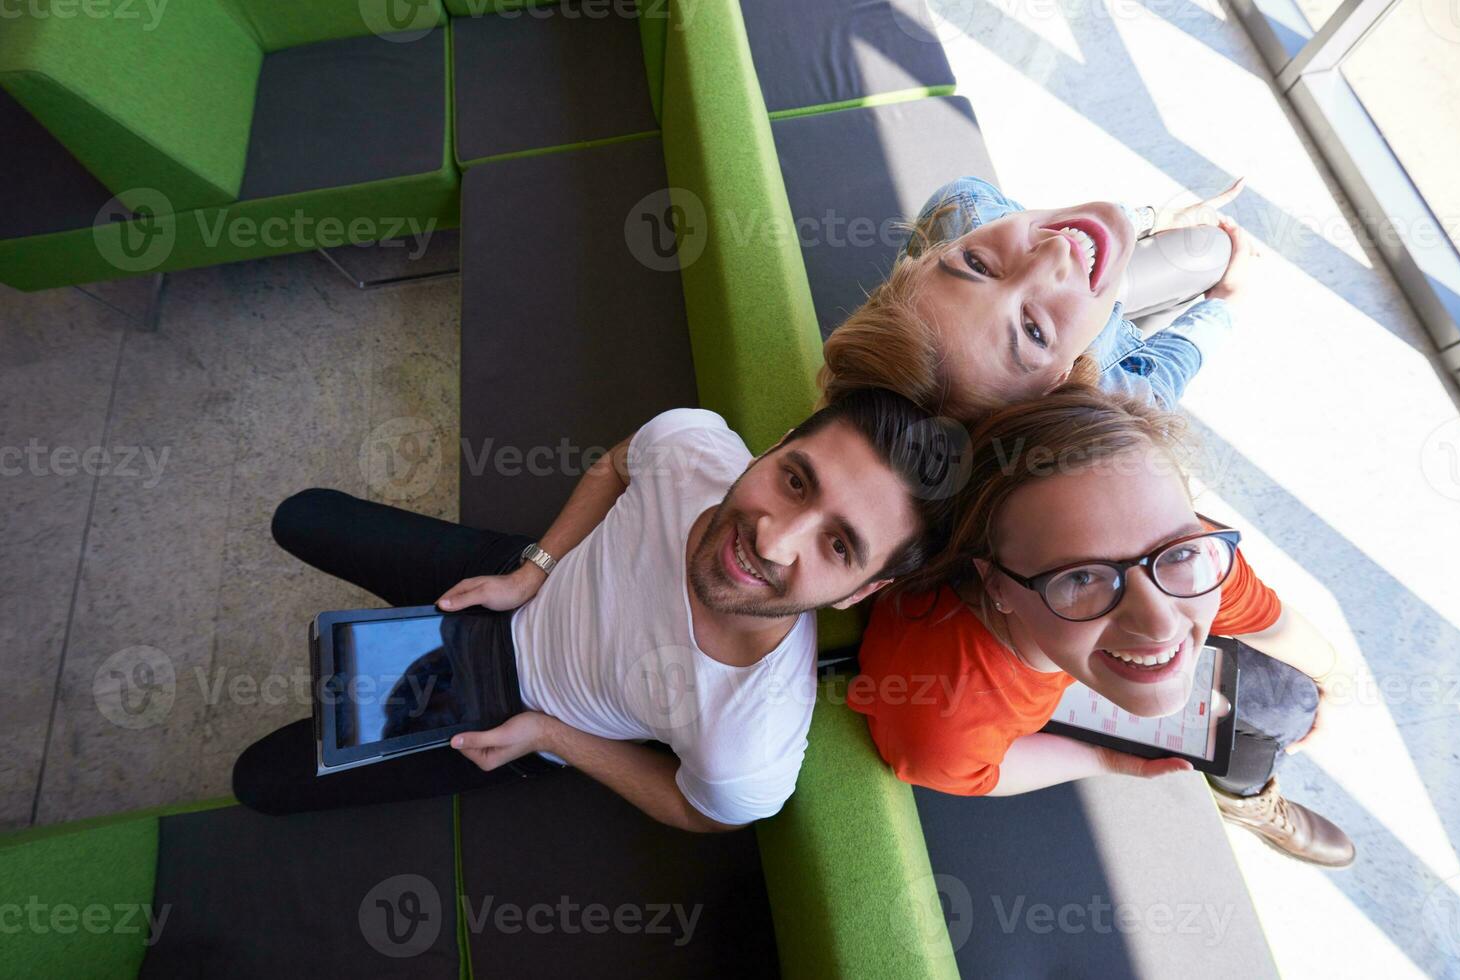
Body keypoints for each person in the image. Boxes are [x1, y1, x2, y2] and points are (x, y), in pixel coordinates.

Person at [232, 388, 950, 831]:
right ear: (773, 448)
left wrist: (551, 736)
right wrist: (532, 569)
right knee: (302, 516)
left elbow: (694, 810)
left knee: (259, 782)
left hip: (513, 712)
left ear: (860, 592)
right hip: (513, 578)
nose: (773, 537)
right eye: (795, 481)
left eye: (837, 545)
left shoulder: (751, 745)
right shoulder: (693, 445)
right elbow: (616, 463)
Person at [846, 386, 1357, 868]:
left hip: (1071, 657)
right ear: (996, 585)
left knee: (1294, 698)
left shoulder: (1198, 560)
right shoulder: (939, 715)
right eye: (1082, 577)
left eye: (1176, 550)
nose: (1160, 622)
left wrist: (1332, 680)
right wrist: (1105, 758)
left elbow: (1270, 620)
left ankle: (1243, 792)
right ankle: (1244, 794)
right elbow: (984, 771)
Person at [819, 176, 1260, 416]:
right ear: (1058, 383)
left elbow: (1077, 231)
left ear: (925, 258)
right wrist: (1226, 303)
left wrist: (1147, 219)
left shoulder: (961, 211)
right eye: (1032, 331)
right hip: (1100, 345)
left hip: (1088, 316)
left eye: (978, 266)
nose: (1051, 253)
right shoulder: (1111, 396)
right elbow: (1166, 377)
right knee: (1214, 251)